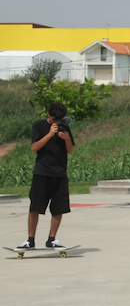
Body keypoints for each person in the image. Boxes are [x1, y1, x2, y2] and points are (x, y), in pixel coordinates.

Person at [19, 101, 75, 250]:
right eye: (55, 120)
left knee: (58, 207)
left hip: (60, 173)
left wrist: (66, 138)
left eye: (60, 120)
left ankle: (52, 239)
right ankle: (30, 239)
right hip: (42, 172)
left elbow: (69, 150)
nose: (58, 122)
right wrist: (50, 134)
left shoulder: (65, 127)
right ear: (49, 115)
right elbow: (34, 147)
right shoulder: (38, 126)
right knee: (35, 206)